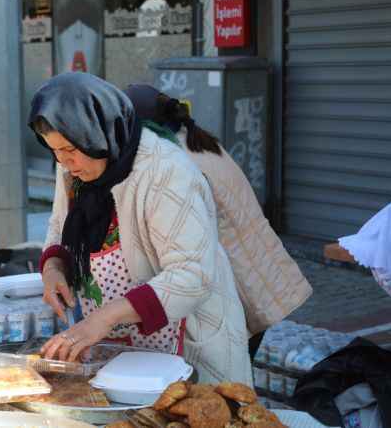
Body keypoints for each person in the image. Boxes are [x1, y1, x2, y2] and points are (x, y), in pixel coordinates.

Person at [31, 72, 252, 385]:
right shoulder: (74, 163)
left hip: (188, 350)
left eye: (69, 149)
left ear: (97, 133)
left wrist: (104, 318)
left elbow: (191, 275)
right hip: (118, 354)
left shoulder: (166, 171)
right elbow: (60, 224)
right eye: (54, 151)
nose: (64, 162)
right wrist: (54, 268)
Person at [123, 84, 313, 359]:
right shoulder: (197, 140)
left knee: (228, 392)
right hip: (258, 277)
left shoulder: (175, 163)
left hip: (240, 289)